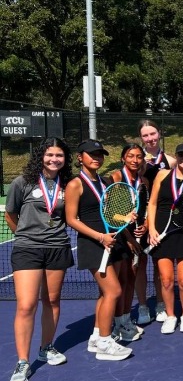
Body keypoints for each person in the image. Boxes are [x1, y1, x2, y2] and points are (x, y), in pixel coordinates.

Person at [5, 138, 74, 381]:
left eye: (59, 155)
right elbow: (10, 214)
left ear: (65, 159)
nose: (54, 159)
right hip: (27, 250)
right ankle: (23, 362)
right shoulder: (22, 182)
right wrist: (25, 235)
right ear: (41, 157)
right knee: (26, 305)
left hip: (57, 248)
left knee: (52, 300)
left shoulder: (68, 185)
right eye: (49, 155)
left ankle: (46, 347)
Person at [65, 139, 132, 361]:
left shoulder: (104, 182)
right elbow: (71, 219)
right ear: (80, 157)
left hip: (109, 243)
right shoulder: (75, 184)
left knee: (105, 292)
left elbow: (109, 213)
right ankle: (105, 342)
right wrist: (99, 237)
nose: (97, 158)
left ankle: (96, 336)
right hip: (92, 244)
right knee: (114, 291)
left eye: (100, 154)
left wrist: (126, 217)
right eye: (91, 154)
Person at [147, 143, 183, 334]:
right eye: (181, 155)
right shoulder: (162, 175)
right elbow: (153, 203)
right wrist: (152, 229)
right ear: (176, 157)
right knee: (166, 280)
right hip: (162, 233)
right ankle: (171, 316)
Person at [107, 144, 148, 342]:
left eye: (139, 156)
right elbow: (110, 213)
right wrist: (129, 238)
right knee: (120, 282)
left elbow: (146, 209)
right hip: (119, 237)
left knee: (131, 278)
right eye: (130, 156)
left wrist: (145, 226)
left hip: (137, 237)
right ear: (123, 158)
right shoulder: (116, 178)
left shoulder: (144, 181)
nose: (135, 160)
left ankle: (125, 320)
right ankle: (115, 325)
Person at [138, 119, 176, 324]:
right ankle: (143, 306)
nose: (150, 138)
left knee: (160, 265)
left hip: (162, 219)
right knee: (140, 265)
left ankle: (161, 303)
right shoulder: (135, 159)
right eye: (145, 135)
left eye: (153, 134)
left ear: (159, 134)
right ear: (141, 138)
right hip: (139, 219)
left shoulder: (171, 161)